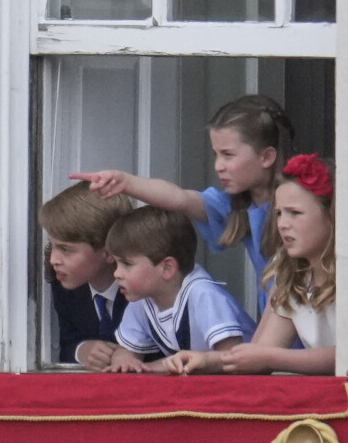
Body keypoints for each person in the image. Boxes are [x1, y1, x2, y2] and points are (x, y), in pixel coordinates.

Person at [69, 94, 295, 314]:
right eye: (216, 155)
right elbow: (181, 199)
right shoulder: (237, 205)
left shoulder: (301, 206)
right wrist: (125, 182)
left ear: (266, 157)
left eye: (228, 154)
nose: (218, 166)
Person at [102, 206, 256, 375]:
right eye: (116, 264)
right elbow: (126, 350)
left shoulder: (204, 295)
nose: (116, 273)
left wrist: (155, 367)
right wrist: (124, 361)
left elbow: (231, 356)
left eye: (127, 264)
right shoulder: (141, 300)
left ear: (167, 268)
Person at [221, 153, 336, 375]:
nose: (282, 224)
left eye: (295, 213)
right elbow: (263, 350)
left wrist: (270, 358)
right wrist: (205, 360)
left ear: (331, 215)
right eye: (279, 214)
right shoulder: (291, 274)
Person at [39, 181, 132, 370]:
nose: (54, 260)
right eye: (53, 245)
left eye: (66, 249)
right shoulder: (65, 284)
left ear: (108, 252)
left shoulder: (143, 289)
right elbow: (68, 342)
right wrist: (82, 350)